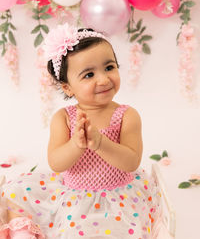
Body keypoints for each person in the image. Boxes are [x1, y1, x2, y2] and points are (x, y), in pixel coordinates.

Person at [0, 23, 171, 239]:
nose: (103, 79)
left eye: (109, 67)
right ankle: (22, 232)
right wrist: (75, 145)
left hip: (117, 194)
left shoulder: (127, 115)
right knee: (16, 194)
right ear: (68, 87)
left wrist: (101, 144)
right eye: (89, 75)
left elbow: (131, 161)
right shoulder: (64, 118)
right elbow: (56, 163)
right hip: (75, 194)